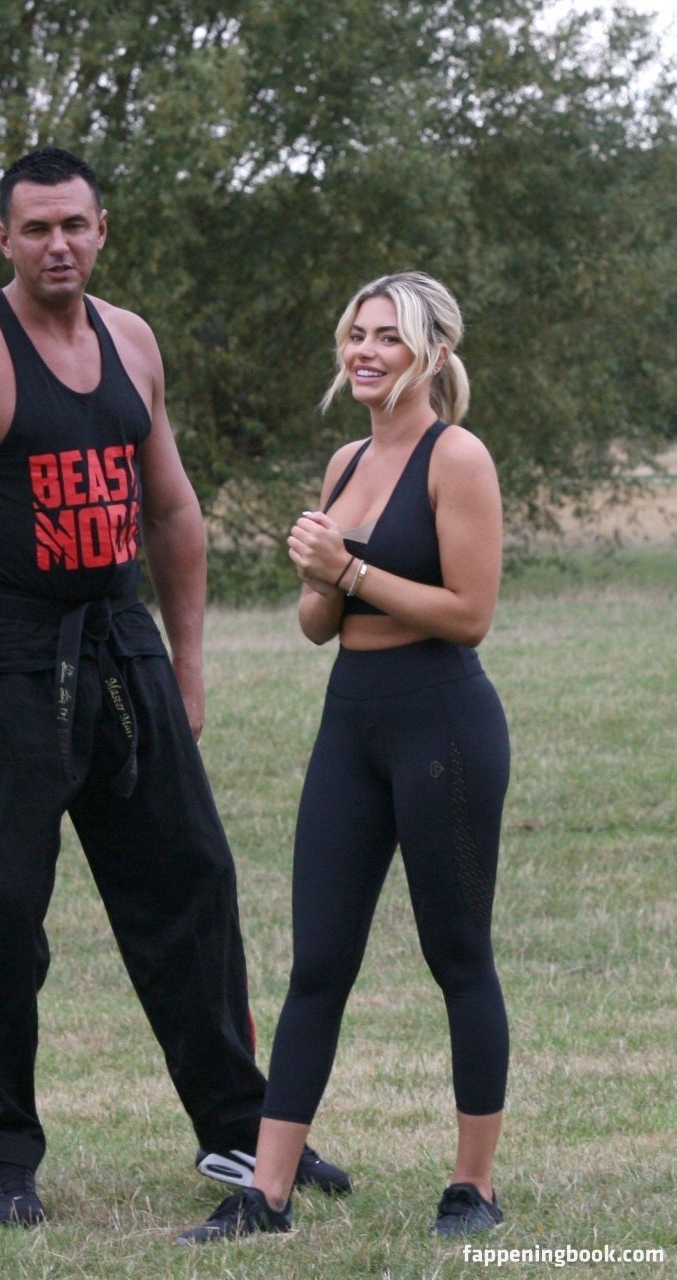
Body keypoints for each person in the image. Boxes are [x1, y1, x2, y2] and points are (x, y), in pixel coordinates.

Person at [0, 146, 349, 1226]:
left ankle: (239, 1127)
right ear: (5, 238)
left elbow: (171, 509)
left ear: (102, 231)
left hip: (121, 644)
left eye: (75, 225)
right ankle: (1, 1151)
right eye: (36, 228)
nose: (58, 245)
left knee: (192, 880)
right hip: (2, 654)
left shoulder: (131, 340)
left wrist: (185, 664)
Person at [177, 271, 511, 1245]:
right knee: (318, 962)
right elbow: (318, 624)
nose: (364, 351)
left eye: (387, 337)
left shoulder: (458, 457)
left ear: (432, 354)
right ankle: (268, 1195)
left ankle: (473, 1187)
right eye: (356, 334)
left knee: (458, 957)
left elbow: (470, 614)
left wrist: (350, 568)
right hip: (351, 721)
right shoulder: (344, 460)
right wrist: (320, 579)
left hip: (442, 723)